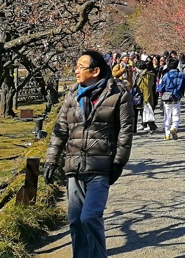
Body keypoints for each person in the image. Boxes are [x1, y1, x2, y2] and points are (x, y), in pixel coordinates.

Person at [44, 49, 134, 258]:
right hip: (74, 166)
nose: (76, 71)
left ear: (95, 71)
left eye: (80, 67)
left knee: (90, 217)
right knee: (76, 221)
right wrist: (51, 160)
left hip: (101, 167)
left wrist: (118, 162)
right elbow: (60, 130)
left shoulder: (118, 93)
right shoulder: (72, 95)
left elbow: (125, 132)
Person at [158, 58, 185, 140]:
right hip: (177, 97)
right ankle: (174, 127)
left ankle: (167, 134)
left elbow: (161, 88)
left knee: (167, 116)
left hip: (167, 98)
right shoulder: (181, 75)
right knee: (176, 115)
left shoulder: (166, 76)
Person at [134, 58, 159, 134]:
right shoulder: (142, 74)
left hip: (143, 97)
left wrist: (146, 100)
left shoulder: (145, 76)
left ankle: (152, 126)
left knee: (145, 113)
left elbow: (146, 88)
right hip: (140, 96)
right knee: (142, 112)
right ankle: (146, 126)